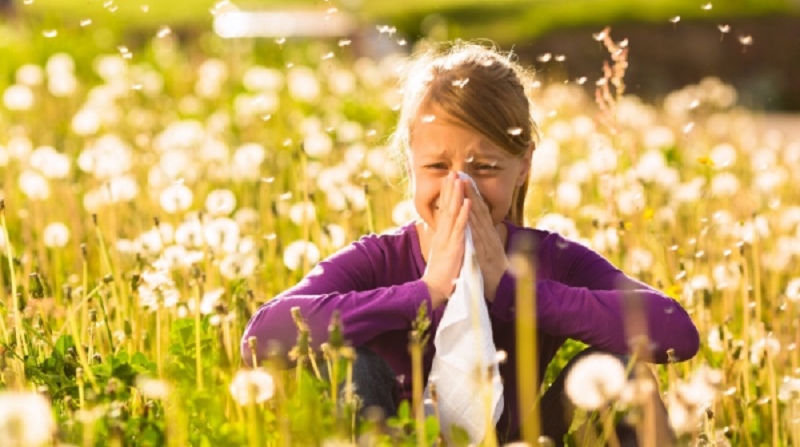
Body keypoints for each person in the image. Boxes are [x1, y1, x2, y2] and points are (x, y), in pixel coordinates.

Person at [241, 41, 700, 445]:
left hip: (524, 441)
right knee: (352, 365)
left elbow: (675, 332)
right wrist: (426, 294)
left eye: (484, 168)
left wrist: (515, 290)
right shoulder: (379, 258)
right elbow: (262, 339)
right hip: (395, 439)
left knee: (624, 372)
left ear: (523, 167)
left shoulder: (547, 259)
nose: (460, 188)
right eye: (437, 167)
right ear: (411, 164)